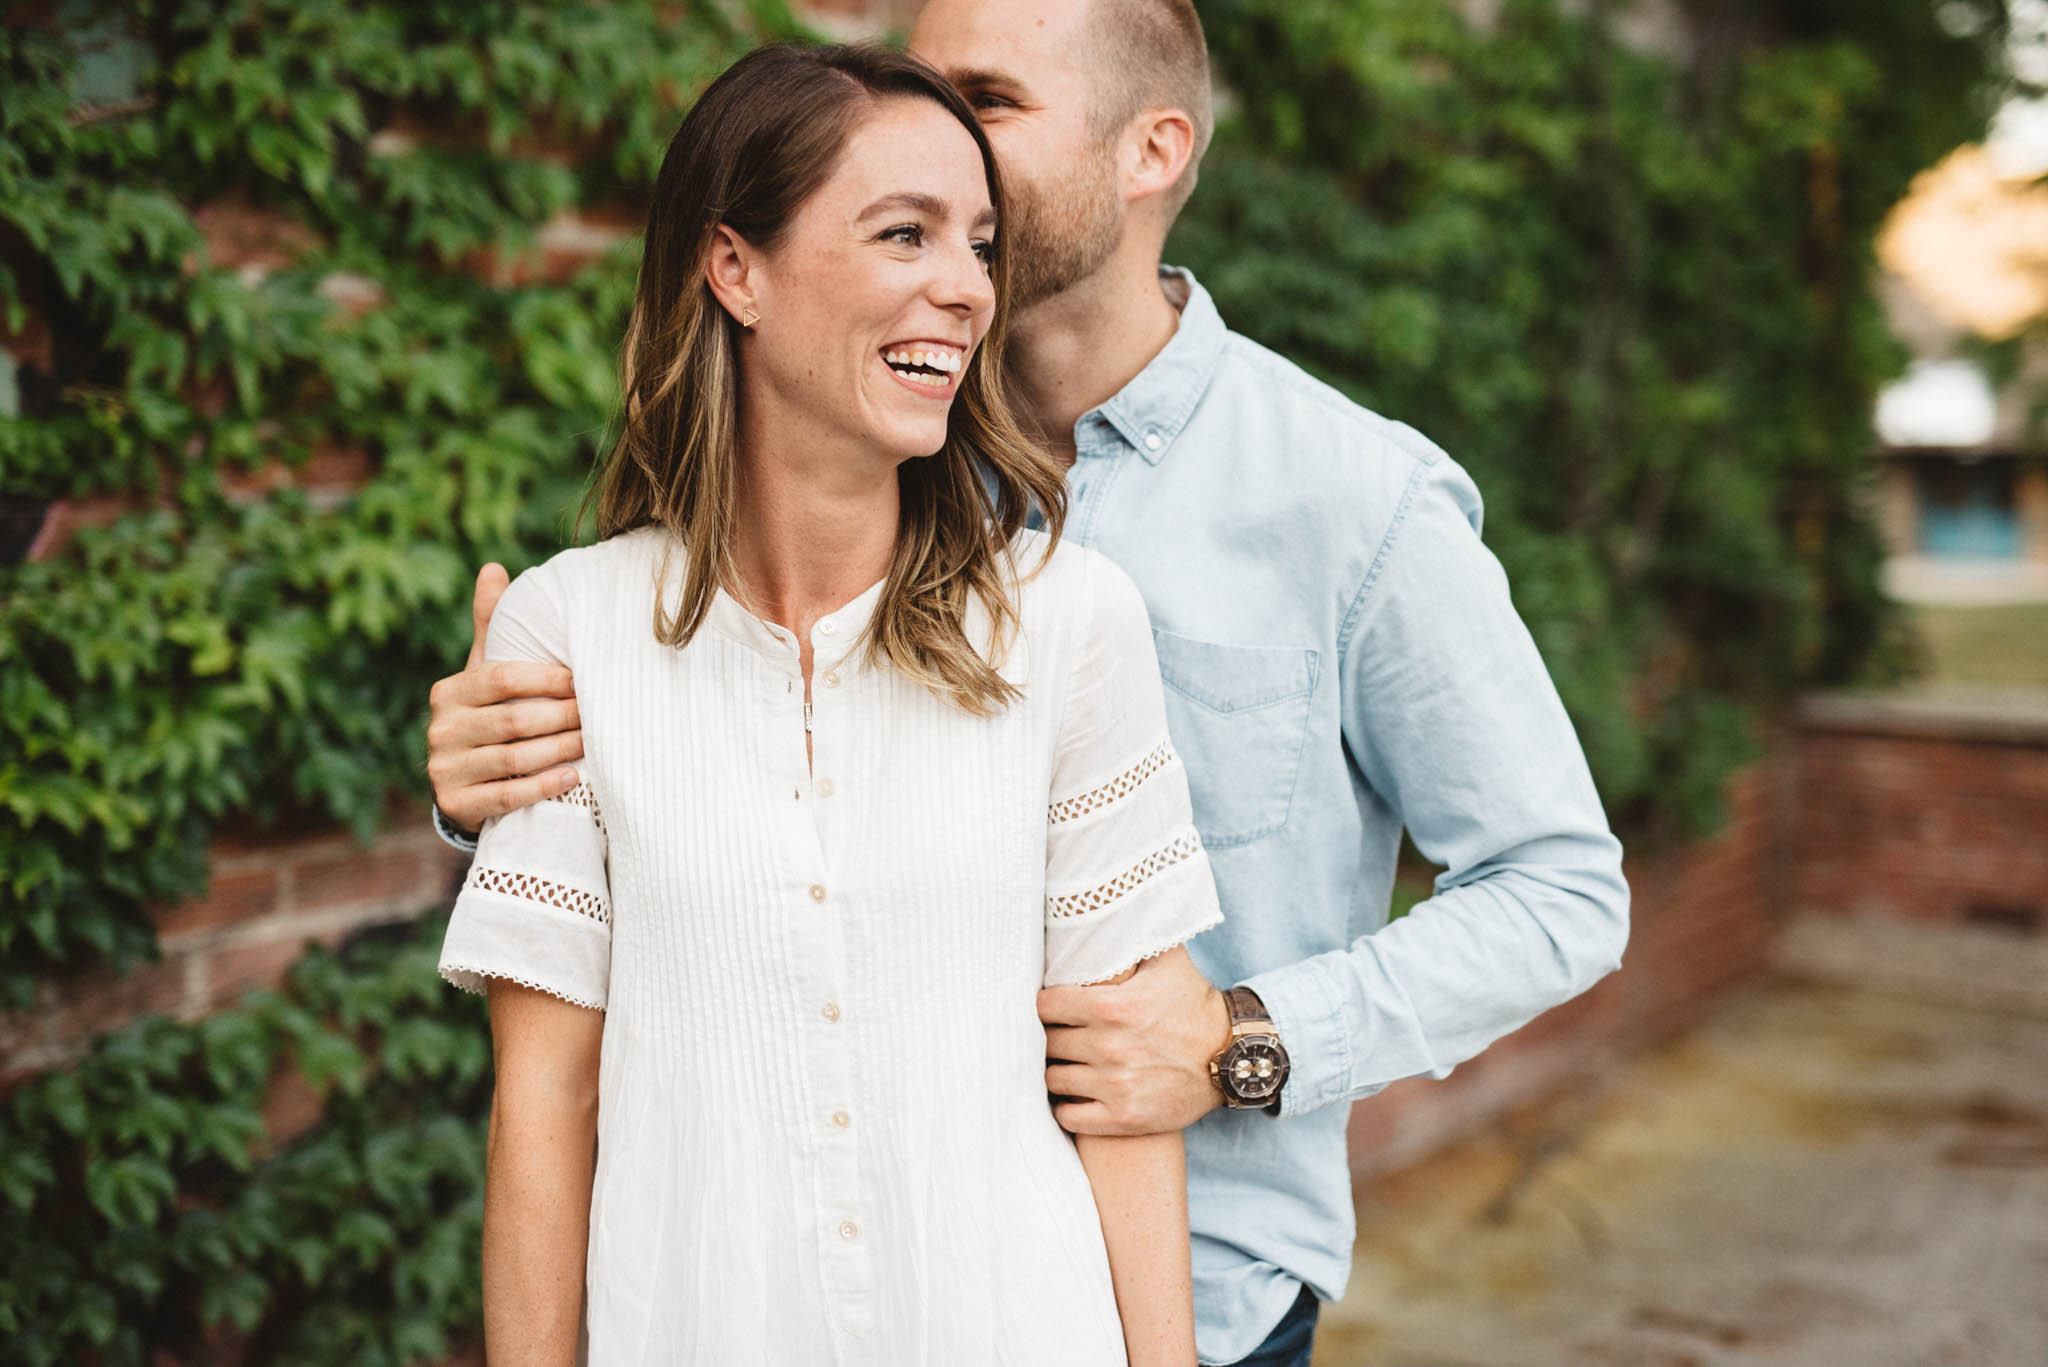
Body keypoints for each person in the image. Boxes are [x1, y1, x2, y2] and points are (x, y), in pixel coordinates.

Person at [427, 4, 1632, 1364]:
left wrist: (1243, 1041)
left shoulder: (1351, 502)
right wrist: (498, 782)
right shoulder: (864, 420)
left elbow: (1561, 892)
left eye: (984, 100)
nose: (937, 135)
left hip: (1198, 1285)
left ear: (1153, 150)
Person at [437, 41, 1226, 1367]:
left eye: (978, 243)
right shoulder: (568, 633)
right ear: (732, 266)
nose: (964, 289)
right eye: (903, 234)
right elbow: (544, 1108)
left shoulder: (1071, 623)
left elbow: (1124, 1096)